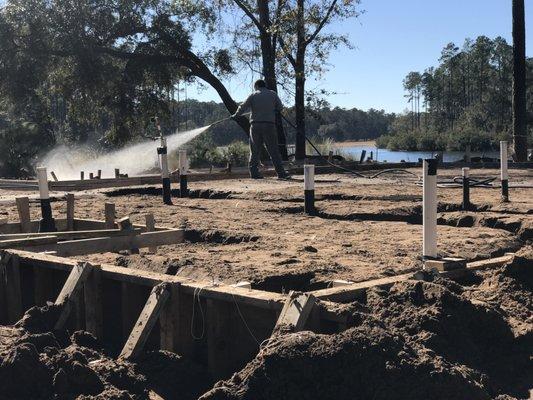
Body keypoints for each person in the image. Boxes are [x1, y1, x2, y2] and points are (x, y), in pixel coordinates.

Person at [232, 79, 289, 179]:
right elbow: (280, 107)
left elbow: (242, 107)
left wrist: (236, 115)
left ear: (256, 86)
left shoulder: (253, 95)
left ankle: (254, 174)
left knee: (254, 150)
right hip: (269, 125)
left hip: (255, 126)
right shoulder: (273, 94)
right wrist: (272, 110)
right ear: (265, 85)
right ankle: (281, 173)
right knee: (273, 150)